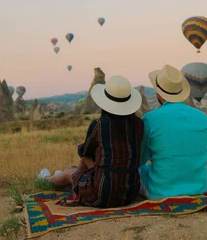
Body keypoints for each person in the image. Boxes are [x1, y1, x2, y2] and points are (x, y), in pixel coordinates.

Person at [38, 75, 144, 208]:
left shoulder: (100, 125)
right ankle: (74, 179)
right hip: (130, 192)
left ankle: (47, 179)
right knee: (79, 168)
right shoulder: (139, 124)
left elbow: (84, 152)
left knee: (70, 172)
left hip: (102, 193)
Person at [139, 64, 207, 199]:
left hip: (161, 191)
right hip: (198, 188)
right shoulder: (202, 117)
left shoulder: (150, 119)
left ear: (159, 93)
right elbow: (203, 151)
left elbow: (141, 159)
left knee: (137, 171)